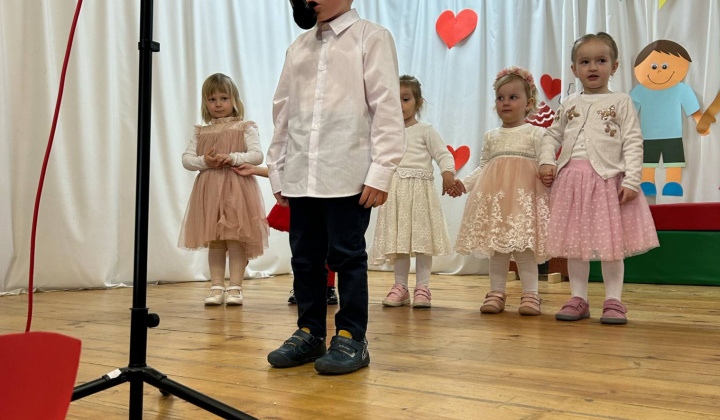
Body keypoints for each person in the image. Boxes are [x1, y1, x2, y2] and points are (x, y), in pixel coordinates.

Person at [265, 0, 405, 375]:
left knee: (347, 255)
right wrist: (278, 168)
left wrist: (382, 170)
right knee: (305, 258)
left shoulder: (371, 38)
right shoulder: (298, 48)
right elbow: (283, 111)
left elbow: (386, 107)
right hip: (302, 173)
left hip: (348, 172)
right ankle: (310, 332)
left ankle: (351, 336)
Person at [538, 32, 659, 324]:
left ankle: (614, 300)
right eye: (585, 62)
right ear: (574, 69)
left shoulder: (621, 101)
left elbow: (633, 142)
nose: (593, 67)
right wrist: (546, 161)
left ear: (614, 66)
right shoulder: (569, 103)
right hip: (571, 181)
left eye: (601, 61)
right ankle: (578, 298)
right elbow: (551, 135)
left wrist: (632, 180)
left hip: (607, 182)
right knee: (575, 246)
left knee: (610, 246)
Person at [449, 66, 548, 316]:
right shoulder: (492, 136)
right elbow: (484, 166)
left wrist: (550, 173)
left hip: (523, 201)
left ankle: (531, 294)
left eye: (513, 97)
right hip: (497, 202)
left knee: (524, 249)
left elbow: (546, 161)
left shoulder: (536, 133)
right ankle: (496, 292)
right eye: (500, 98)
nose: (505, 102)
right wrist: (464, 184)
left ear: (529, 103)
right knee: (498, 250)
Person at [178, 73, 269, 306]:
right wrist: (205, 161)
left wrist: (233, 157)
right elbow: (187, 159)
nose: (218, 104)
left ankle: (236, 287)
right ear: (205, 103)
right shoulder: (201, 132)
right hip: (209, 191)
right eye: (212, 99)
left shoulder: (244, 127)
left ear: (234, 100)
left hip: (236, 189)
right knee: (216, 240)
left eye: (224, 98)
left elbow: (257, 155)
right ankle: (217, 286)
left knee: (234, 238)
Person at [370, 75, 455, 309]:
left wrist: (447, 173)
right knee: (399, 243)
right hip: (395, 193)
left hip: (420, 194)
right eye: (394, 99)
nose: (400, 105)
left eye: (405, 99)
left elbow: (443, 154)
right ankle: (400, 286)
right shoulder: (386, 133)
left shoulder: (426, 130)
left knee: (422, 242)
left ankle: (423, 287)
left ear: (418, 103)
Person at [233, 164, 338, 305]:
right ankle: (303, 287)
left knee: (326, 246)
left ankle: (328, 288)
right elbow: (288, 171)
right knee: (303, 247)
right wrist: (255, 169)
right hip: (303, 195)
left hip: (329, 196)